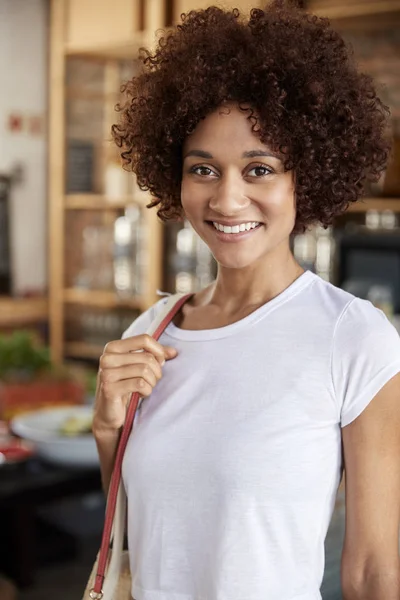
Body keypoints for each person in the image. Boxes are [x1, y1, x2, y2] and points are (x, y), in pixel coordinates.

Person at [93, 2, 400, 599]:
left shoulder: (354, 338)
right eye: (203, 169)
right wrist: (108, 426)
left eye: (258, 168)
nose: (228, 200)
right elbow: (135, 531)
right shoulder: (154, 329)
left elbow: (373, 572)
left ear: (303, 178)